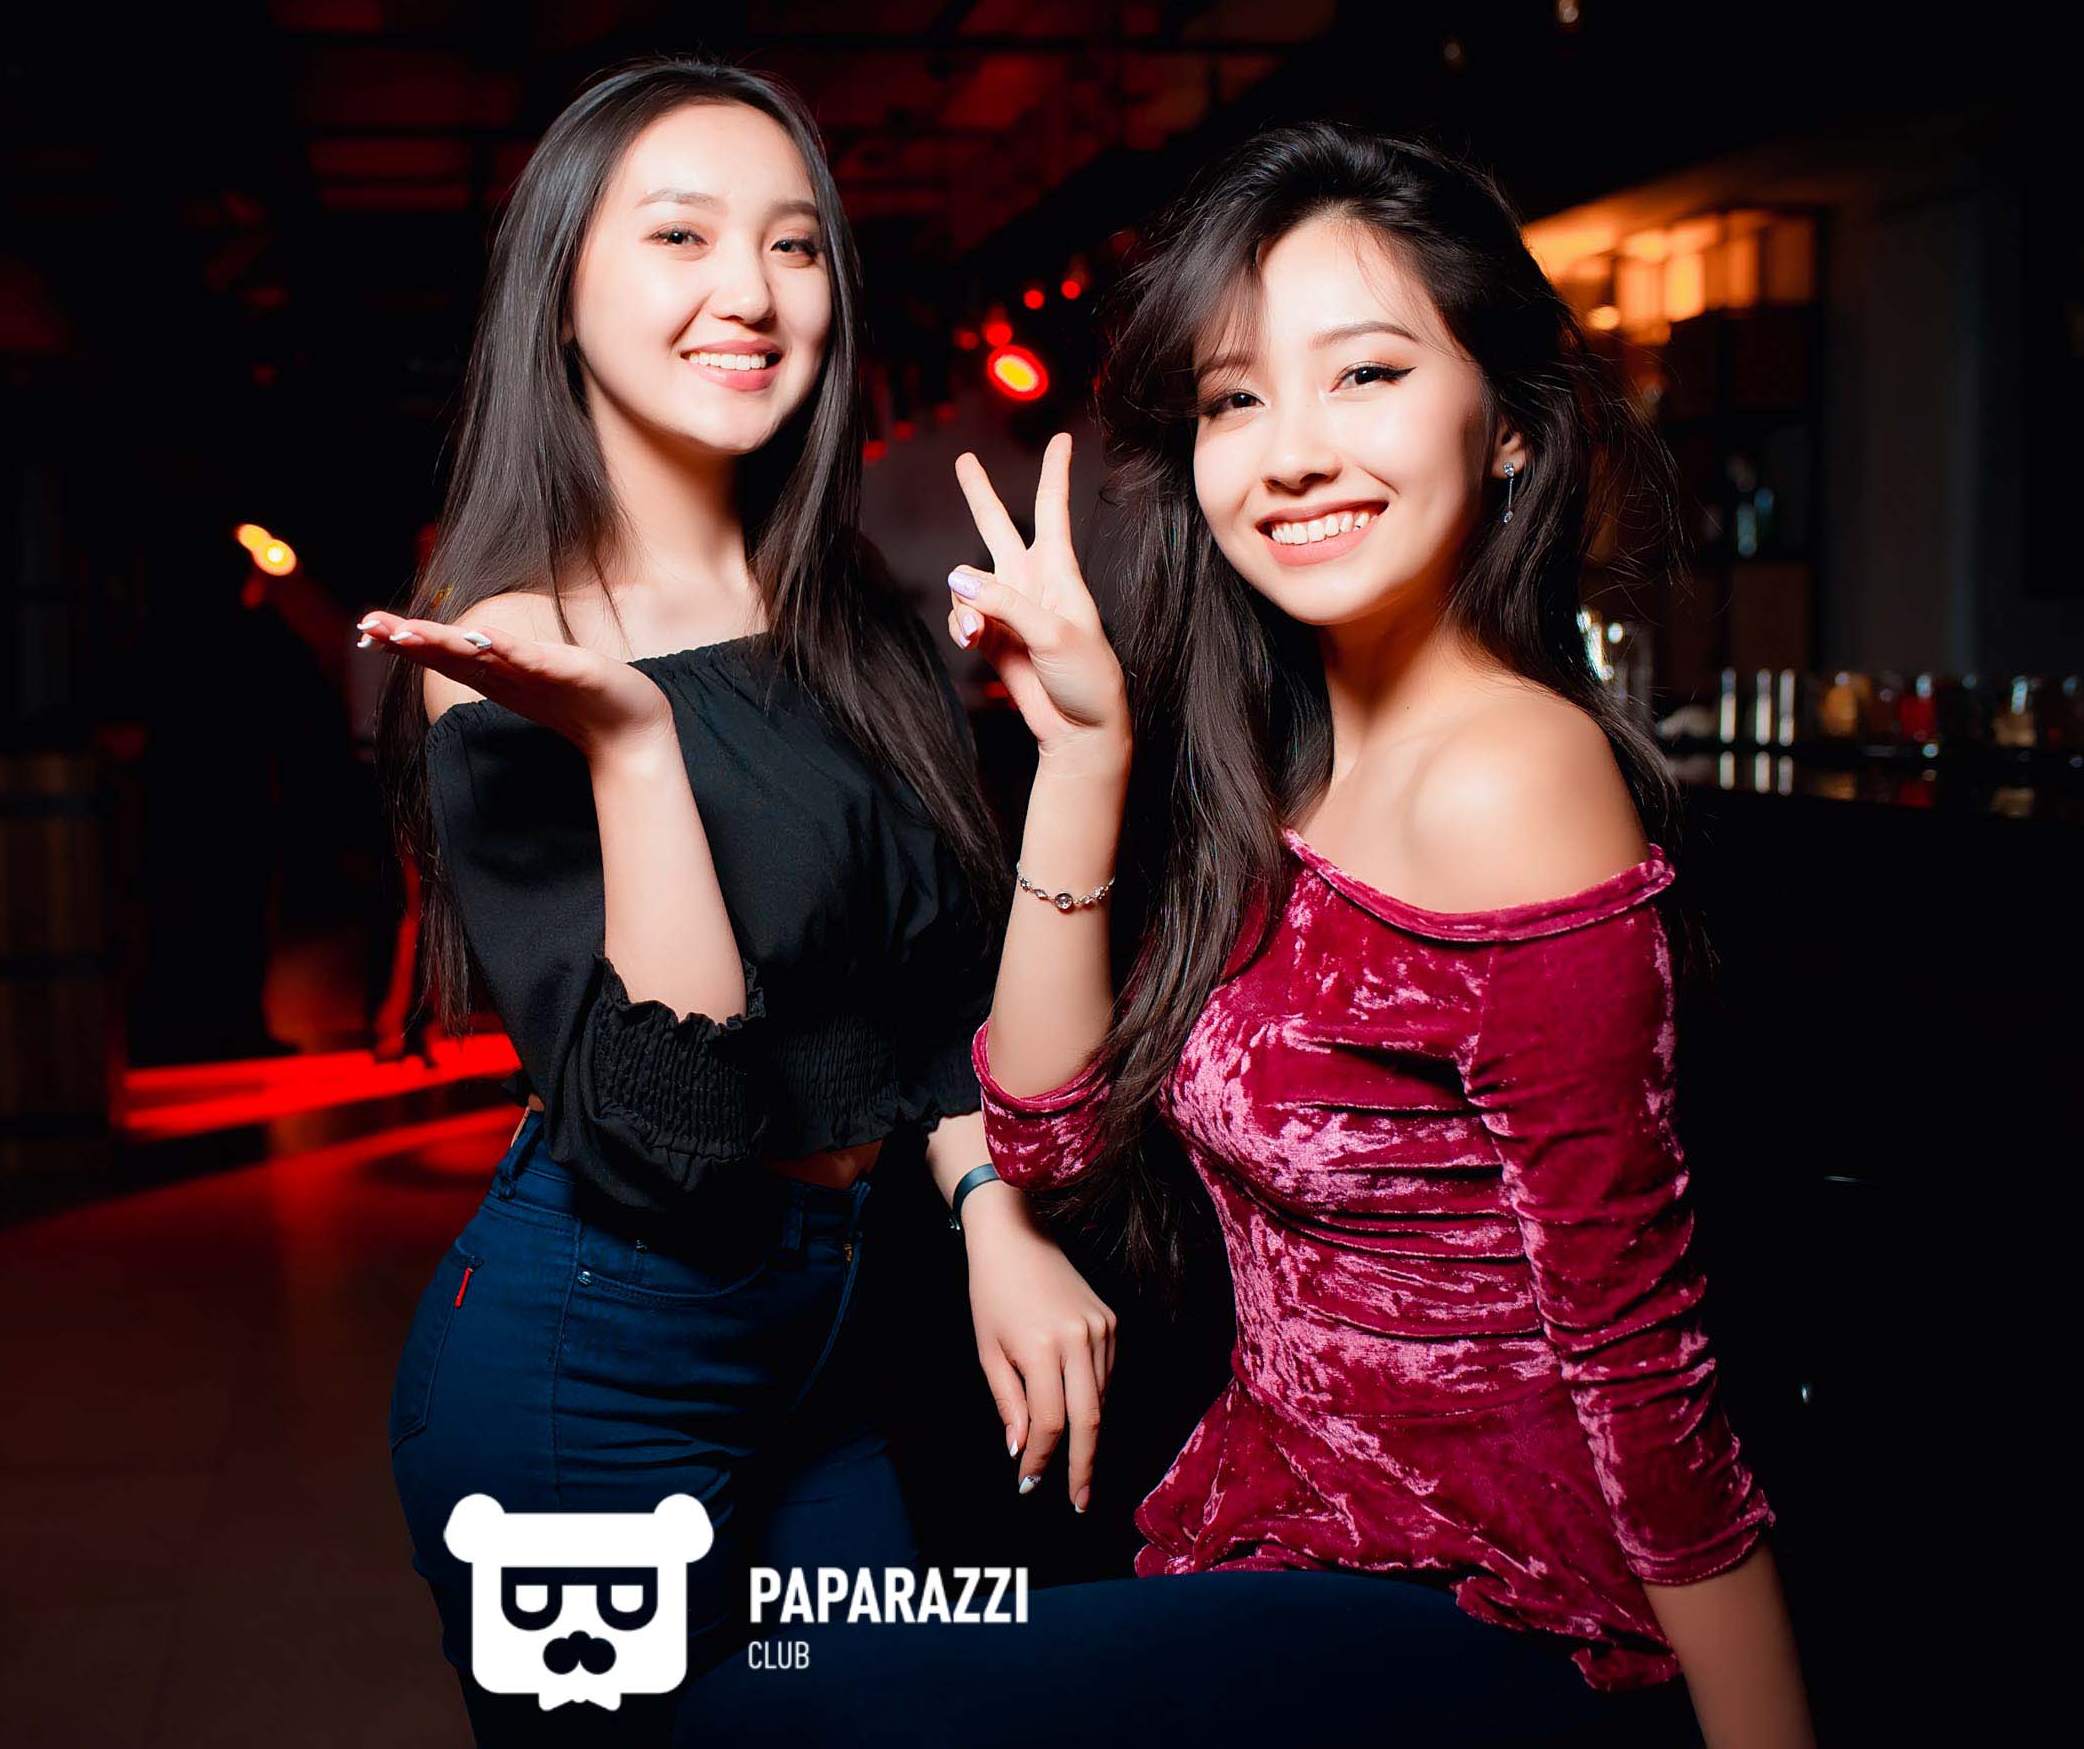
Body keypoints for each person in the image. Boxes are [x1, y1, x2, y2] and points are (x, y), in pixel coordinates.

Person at [680, 122, 1814, 1747]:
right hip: (1274, 1536)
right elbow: (1047, 1132)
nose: (1289, 453)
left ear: (1506, 423)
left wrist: (1758, 1728)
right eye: (1234, 399)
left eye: (1364, 374)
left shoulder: (1510, 777)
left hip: (1485, 1595)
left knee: (769, 1709)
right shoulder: (1282, 772)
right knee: (770, 1659)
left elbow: (1635, 1347)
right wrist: (1081, 759)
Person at [363, 57, 1119, 1745]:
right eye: (679, 236)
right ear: (561, 293)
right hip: (594, 1370)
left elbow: (932, 1007)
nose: (750, 294)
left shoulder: (850, 612)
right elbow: (669, 1137)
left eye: (791, 244)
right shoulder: (505, 643)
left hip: (840, 1341)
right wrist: (632, 746)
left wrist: (991, 1213)